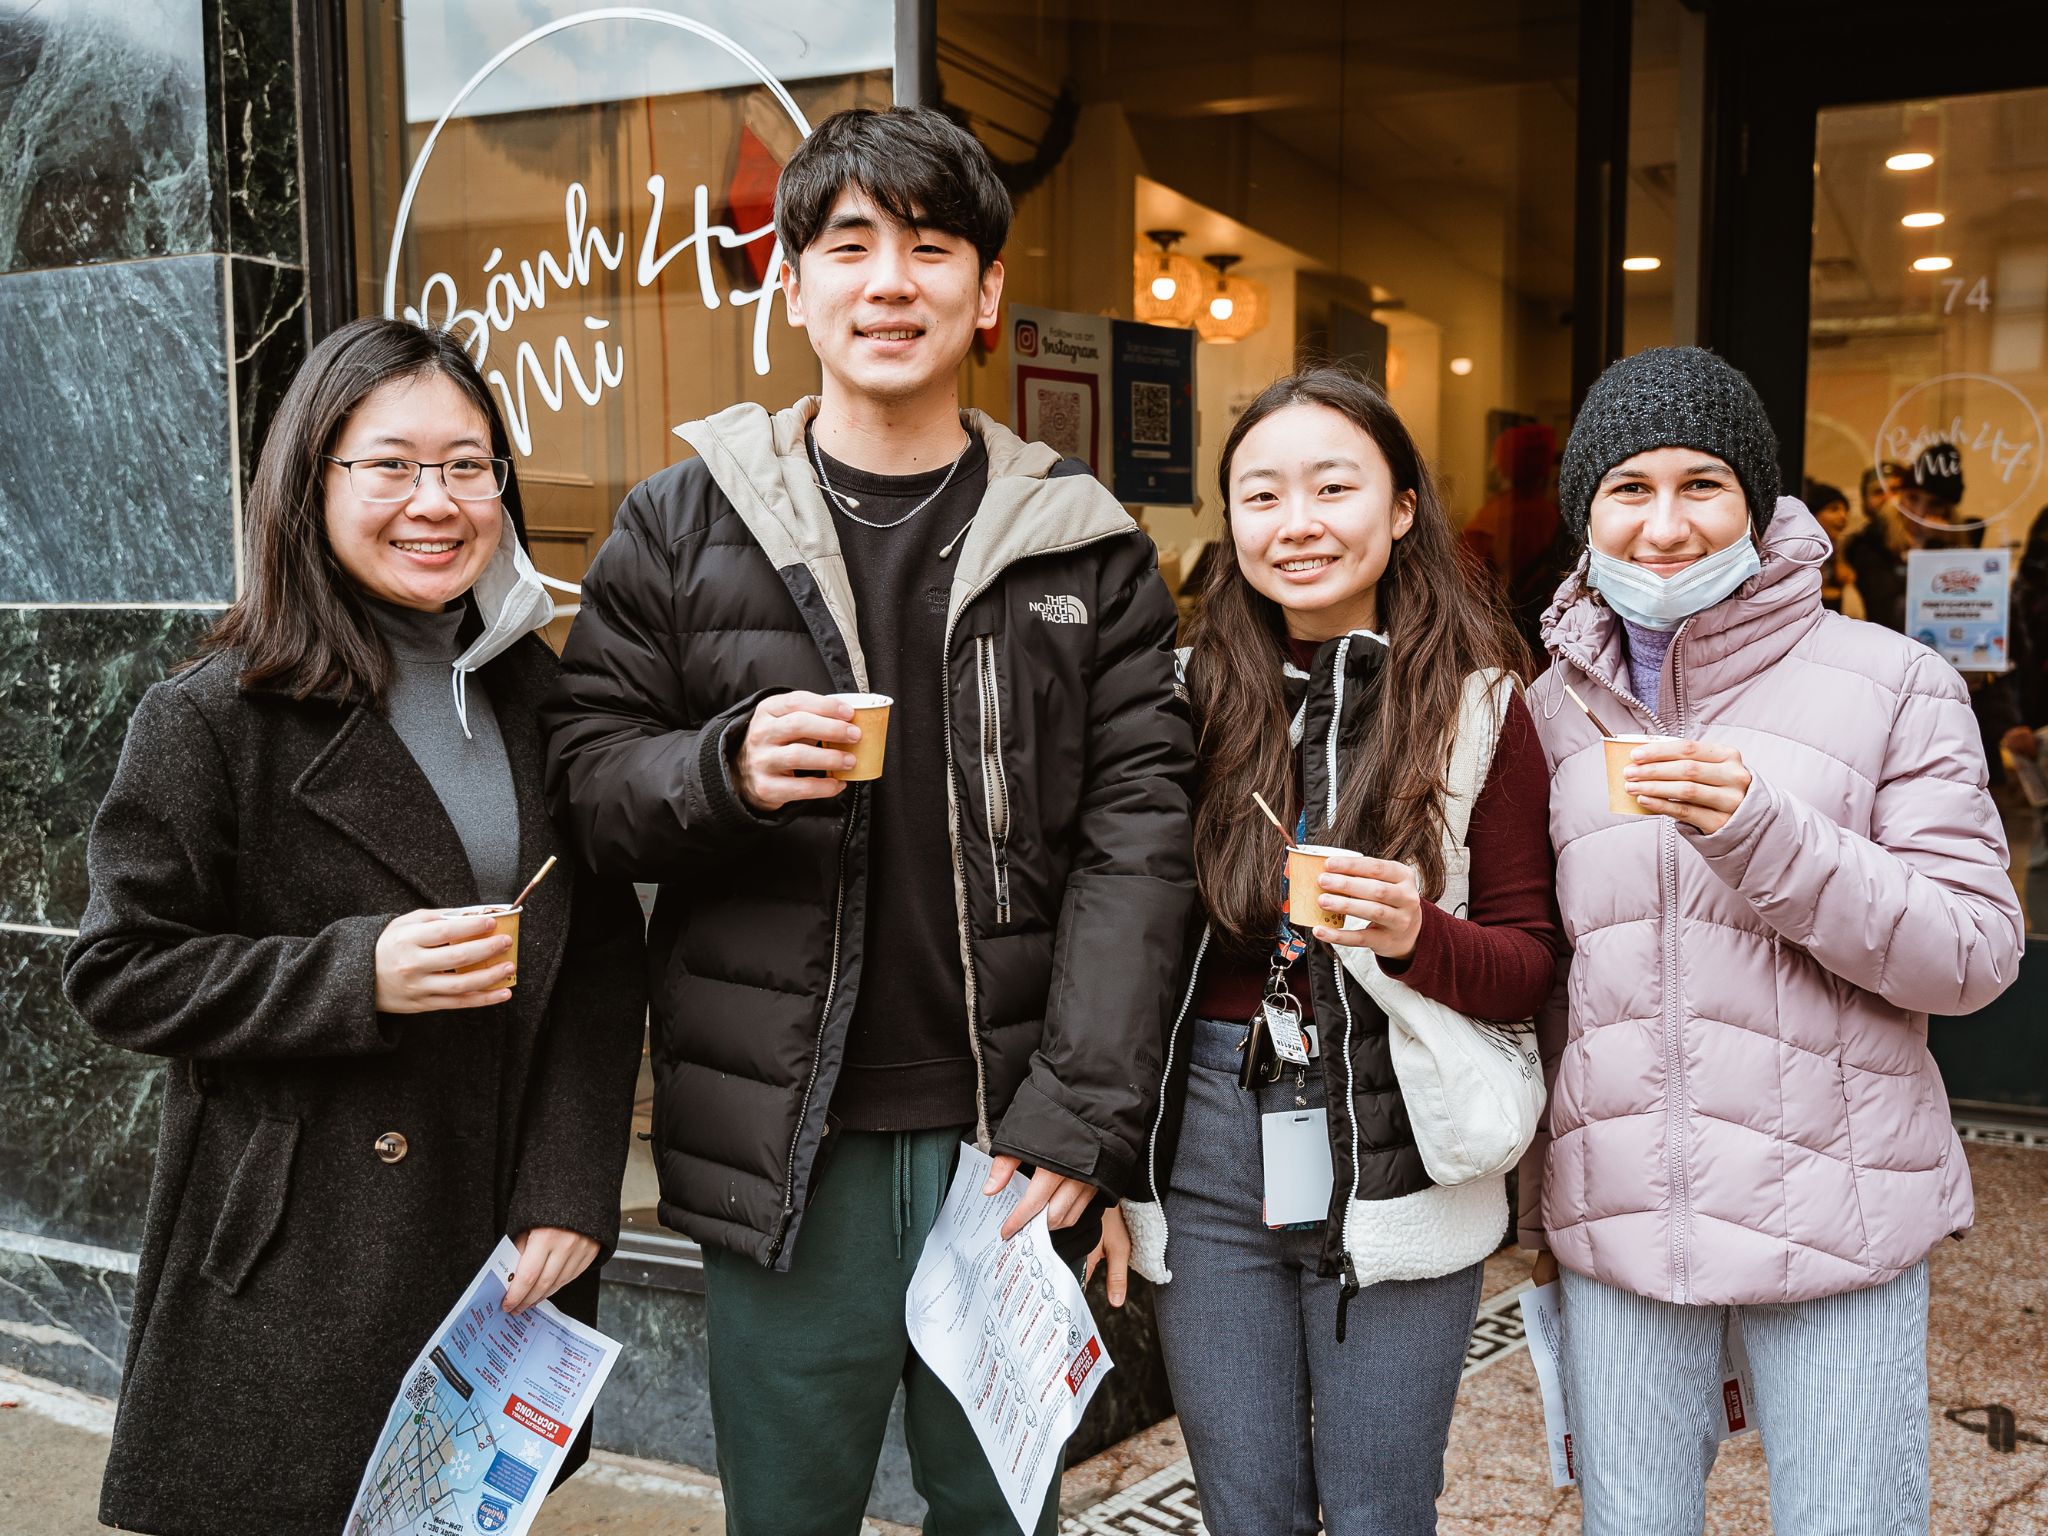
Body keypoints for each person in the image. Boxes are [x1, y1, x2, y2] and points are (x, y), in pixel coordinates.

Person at [540, 105, 1195, 1534]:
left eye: (931, 248)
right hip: (786, 1141)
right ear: (791, 287)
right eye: (848, 247)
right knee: (788, 1517)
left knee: (997, 1511)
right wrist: (720, 769)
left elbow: (1140, 839)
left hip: (1007, 1144)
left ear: (989, 294)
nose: (889, 282)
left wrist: (1081, 1116)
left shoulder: (1085, 541)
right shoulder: (679, 522)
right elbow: (588, 781)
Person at [63, 317, 648, 1535]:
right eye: (389, 465)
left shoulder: (539, 693)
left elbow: (597, 959)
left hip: (487, 1241)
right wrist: (355, 974)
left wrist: (569, 1181)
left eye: (468, 464)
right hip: (297, 1258)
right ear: (310, 481)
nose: (434, 501)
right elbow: (119, 971)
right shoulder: (213, 713)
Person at [1520, 347, 2022, 1535]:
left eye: (1701, 485)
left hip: (1837, 1211)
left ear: (1757, 500)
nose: (1662, 525)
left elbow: (1970, 953)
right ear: (1583, 517)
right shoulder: (1543, 710)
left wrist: (1758, 830)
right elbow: (1546, 978)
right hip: (1620, 1219)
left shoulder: (1891, 680)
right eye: (1625, 490)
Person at [1099, 367, 1560, 1533]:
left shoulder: (1483, 709)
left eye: (1331, 486)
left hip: (1397, 1125)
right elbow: (1114, 949)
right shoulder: (1179, 697)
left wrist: (1413, 938)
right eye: (1259, 495)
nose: (1294, 522)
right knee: (1242, 1504)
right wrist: (1100, 1160)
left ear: (1401, 506)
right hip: (1205, 1138)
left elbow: (1527, 962)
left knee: (1377, 1506)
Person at [1802, 477, 1863, 618]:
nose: (1843, 516)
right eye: (1834, 509)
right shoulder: (1798, 556)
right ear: (1813, 514)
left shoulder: (1840, 554)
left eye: (1845, 511)